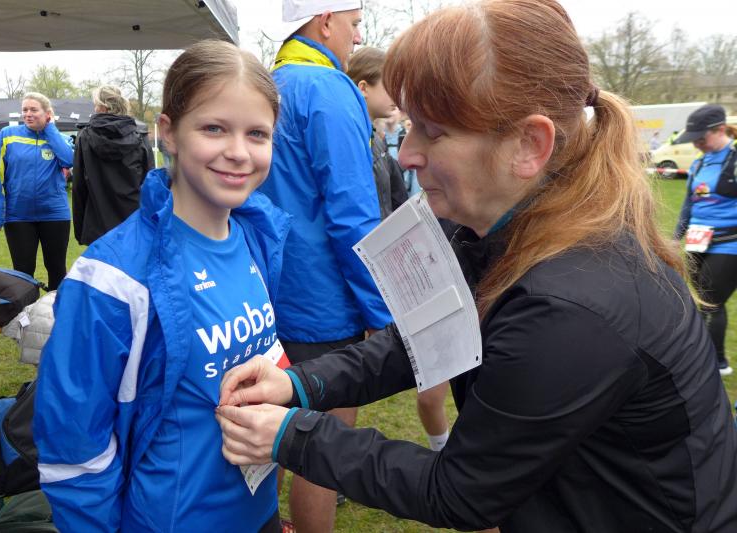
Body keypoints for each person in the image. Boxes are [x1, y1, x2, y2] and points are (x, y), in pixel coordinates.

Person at [215, 3, 737, 532]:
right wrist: (299, 385)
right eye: (410, 126)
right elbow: (427, 339)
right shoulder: (503, 232)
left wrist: (292, 436)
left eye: (433, 132)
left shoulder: (572, 302)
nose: (406, 155)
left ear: (528, 145)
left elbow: (460, 491)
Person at [33, 40, 290, 532]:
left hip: (259, 511)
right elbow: (73, 448)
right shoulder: (111, 278)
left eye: (257, 133)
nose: (239, 152)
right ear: (168, 133)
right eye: (214, 128)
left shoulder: (261, 235)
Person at [259, 1, 392, 531]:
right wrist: (380, 312)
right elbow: (352, 212)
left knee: (266, 434)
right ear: (325, 21)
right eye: (355, 24)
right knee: (322, 447)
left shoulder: (267, 82)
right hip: (322, 301)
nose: (357, 38)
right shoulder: (328, 88)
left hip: (263, 292)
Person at [347, 46, 450, 451]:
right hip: (373, 271)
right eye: (389, 86)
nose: (408, 157)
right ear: (362, 87)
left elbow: (395, 204)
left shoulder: (373, 140)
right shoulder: (356, 140)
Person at [0, 92, 74, 291]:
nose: (28, 114)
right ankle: (24, 311)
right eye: (25, 110)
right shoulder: (7, 135)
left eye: (34, 110)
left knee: (57, 269)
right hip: (18, 216)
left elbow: (68, 160)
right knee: (22, 271)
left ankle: (57, 310)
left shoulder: (60, 138)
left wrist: (49, 129)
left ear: (47, 113)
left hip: (55, 214)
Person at [674, 103, 737, 376]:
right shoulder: (699, 163)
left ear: (720, 130)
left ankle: (718, 362)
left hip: (729, 243)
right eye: (694, 139)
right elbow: (689, 205)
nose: (696, 144)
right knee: (696, 299)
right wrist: (675, 238)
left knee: (711, 301)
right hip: (697, 241)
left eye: (701, 138)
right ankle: (697, 355)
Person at [72, 84, 154, 245]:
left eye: (95, 104)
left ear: (103, 107)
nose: (94, 108)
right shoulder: (139, 136)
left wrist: (81, 229)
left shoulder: (85, 137)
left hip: (98, 225)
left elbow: (79, 186)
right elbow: (150, 183)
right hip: (132, 223)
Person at [345, 46, 408, 219]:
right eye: (389, 85)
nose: (396, 94)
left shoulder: (377, 141)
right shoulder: (347, 139)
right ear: (364, 88)